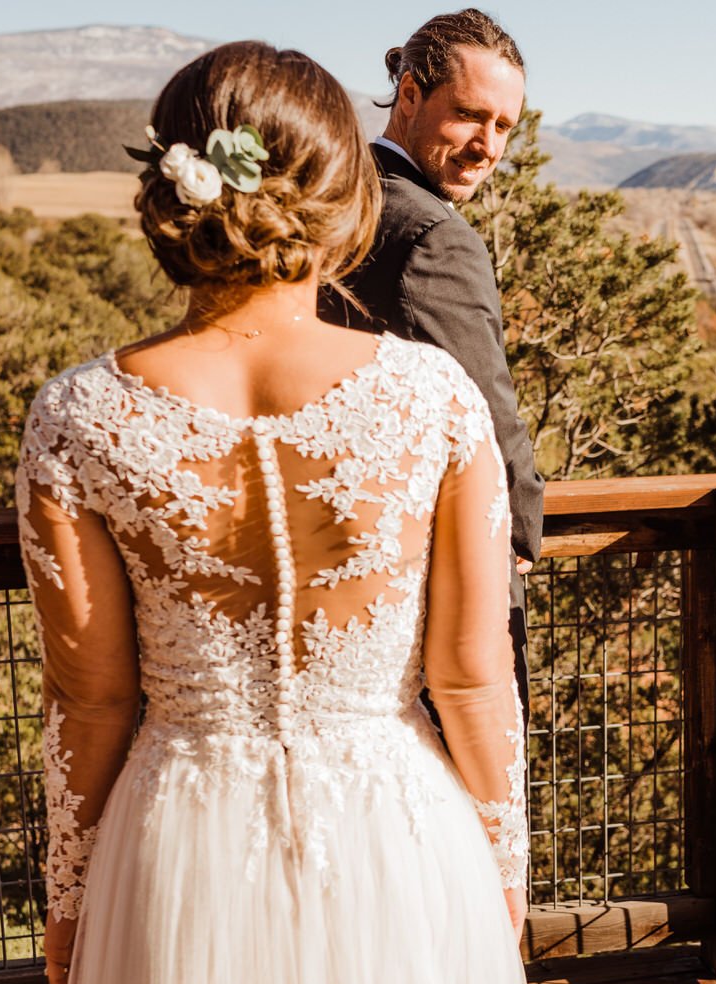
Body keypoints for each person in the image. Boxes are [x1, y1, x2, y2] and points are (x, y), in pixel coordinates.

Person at [16, 41, 538, 984]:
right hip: (395, 832)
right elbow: (472, 679)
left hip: (178, 841)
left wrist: (73, 895)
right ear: (348, 201)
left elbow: (90, 699)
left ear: (171, 190)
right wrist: (501, 865)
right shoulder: (433, 400)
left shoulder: (78, 416)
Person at [318, 9, 543, 713]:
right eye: (471, 116)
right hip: (436, 583)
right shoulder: (433, 238)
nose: (488, 146)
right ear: (409, 96)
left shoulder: (332, 200)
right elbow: (486, 412)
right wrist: (523, 527)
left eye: (504, 126)